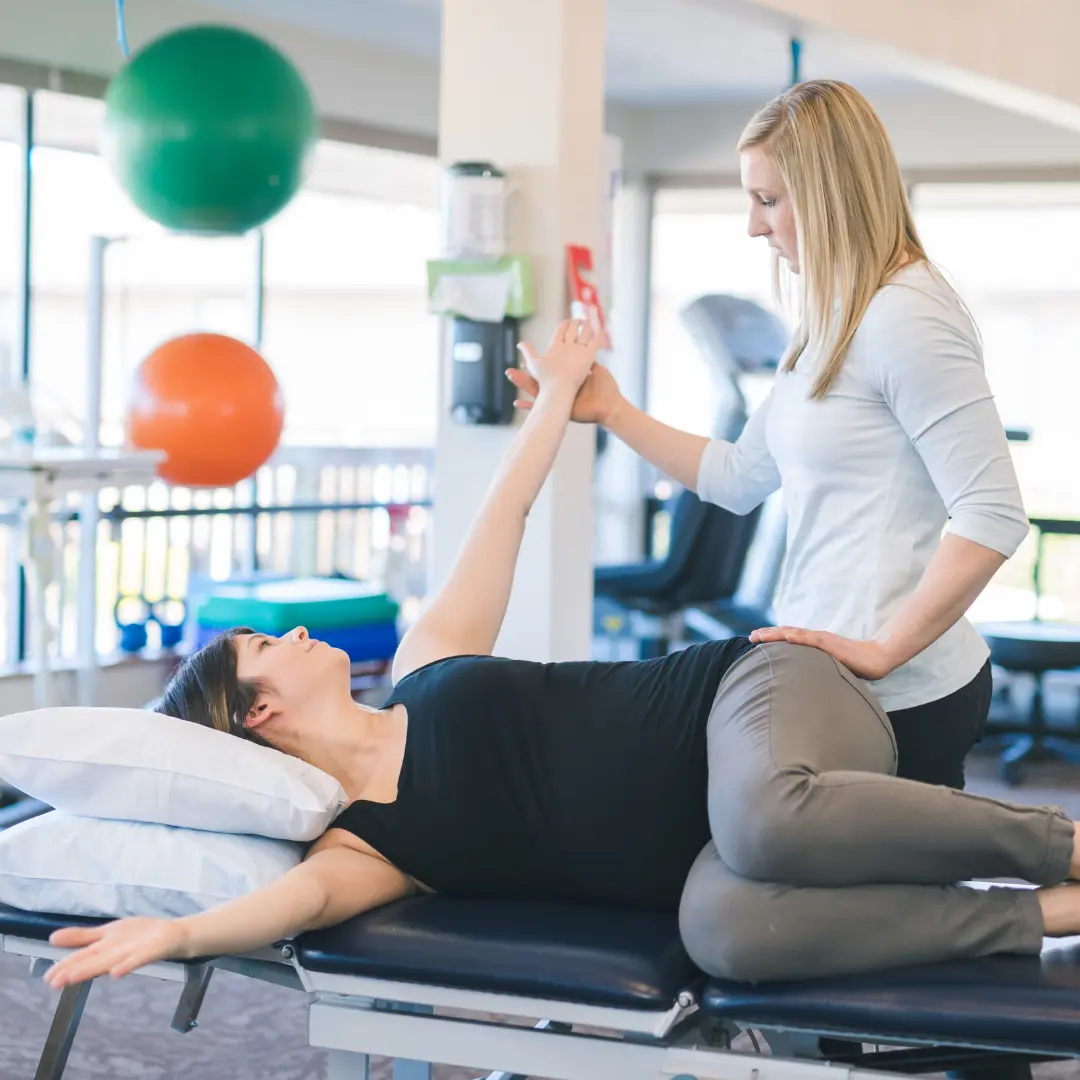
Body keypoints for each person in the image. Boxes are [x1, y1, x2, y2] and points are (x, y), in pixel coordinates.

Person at [41, 319, 1080, 992]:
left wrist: (564, 393)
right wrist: (173, 935)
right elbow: (294, 907)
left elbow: (509, 509)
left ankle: (1059, 844)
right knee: (728, 934)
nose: (303, 633)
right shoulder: (364, 849)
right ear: (256, 713)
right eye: (272, 643)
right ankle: (1051, 912)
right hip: (719, 854)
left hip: (755, 694)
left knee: (765, 817)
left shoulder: (426, 666)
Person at [509, 80, 1028, 792]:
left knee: (876, 898)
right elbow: (737, 476)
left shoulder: (907, 318)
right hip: (828, 673)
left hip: (903, 692)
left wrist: (881, 650)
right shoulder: (830, 318)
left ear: (828, 194)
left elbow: (992, 514)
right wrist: (613, 410)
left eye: (768, 200)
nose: (755, 227)